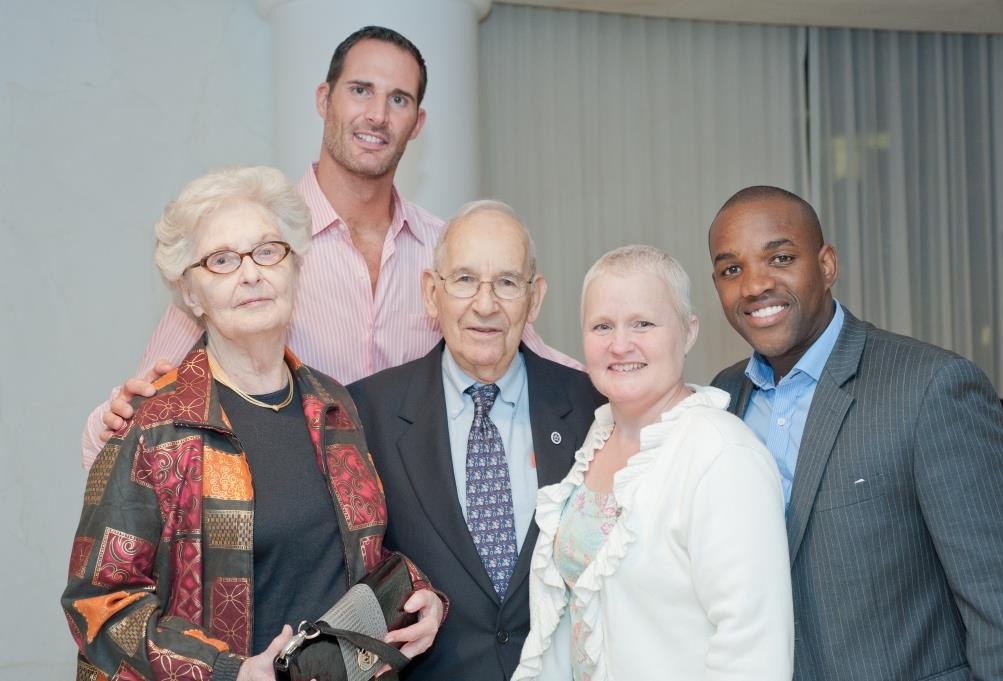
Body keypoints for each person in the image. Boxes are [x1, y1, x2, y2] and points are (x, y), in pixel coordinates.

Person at [80, 25, 578, 467]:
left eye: (398, 99)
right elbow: (139, 409)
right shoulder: (260, 248)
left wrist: (634, 377)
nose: (378, 115)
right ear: (324, 99)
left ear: (417, 123)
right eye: (360, 90)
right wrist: (112, 420)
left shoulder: (447, 253)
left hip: (421, 531)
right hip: (300, 528)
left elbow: (535, 358)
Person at [62, 166, 444, 681]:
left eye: (268, 251)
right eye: (221, 260)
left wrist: (420, 594)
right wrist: (227, 672)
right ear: (191, 295)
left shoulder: (334, 407)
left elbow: (361, 558)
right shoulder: (153, 424)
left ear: (294, 269)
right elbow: (98, 603)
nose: (251, 273)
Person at [708, 185, 1003, 681]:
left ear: (827, 265)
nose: (753, 286)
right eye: (732, 269)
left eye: (781, 257)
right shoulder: (720, 401)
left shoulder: (931, 388)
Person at [347, 201, 604, 681]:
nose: (485, 305)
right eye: (464, 280)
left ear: (535, 298)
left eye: (506, 283)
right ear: (431, 293)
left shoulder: (593, 407)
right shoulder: (366, 414)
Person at [513, 245, 793, 681]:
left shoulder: (722, 455)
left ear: (689, 330)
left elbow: (752, 650)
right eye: (602, 325)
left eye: (643, 323)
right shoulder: (597, 437)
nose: (620, 344)